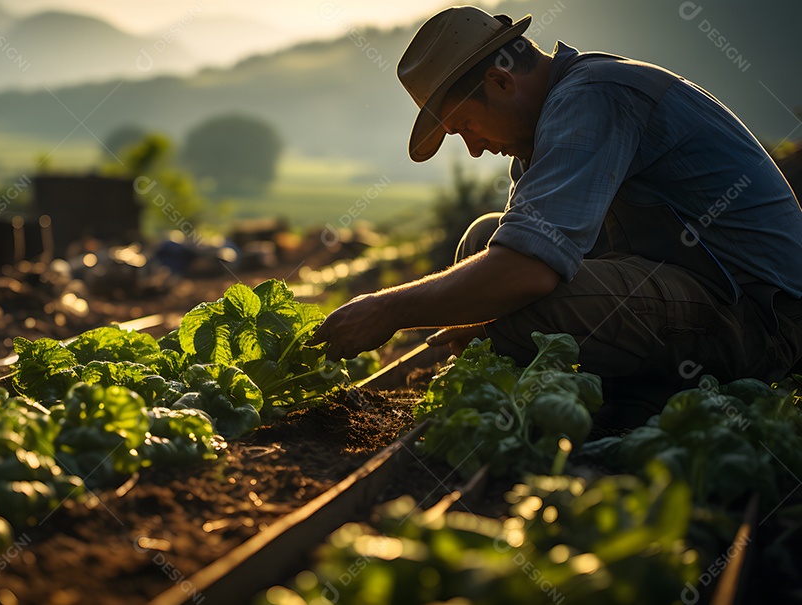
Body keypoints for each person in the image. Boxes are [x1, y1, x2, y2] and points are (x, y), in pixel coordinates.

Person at [309, 6, 802, 428]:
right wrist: (471, 315)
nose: (476, 149)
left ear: (500, 81)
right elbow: (518, 253)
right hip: (693, 283)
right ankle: (627, 381)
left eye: (464, 128)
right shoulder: (547, 124)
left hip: (763, 319)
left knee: (527, 311)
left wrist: (388, 309)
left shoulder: (591, 98)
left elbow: (526, 271)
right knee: (484, 244)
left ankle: (636, 399)